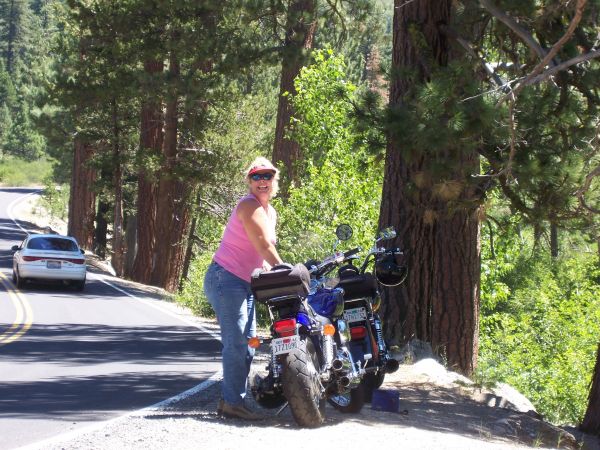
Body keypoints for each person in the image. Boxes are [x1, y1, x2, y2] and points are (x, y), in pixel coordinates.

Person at [203, 156, 284, 420]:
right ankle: (231, 403)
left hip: (246, 283)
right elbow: (263, 245)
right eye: (257, 176)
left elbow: (262, 254)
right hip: (225, 278)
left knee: (248, 345)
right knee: (236, 343)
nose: (263, 181)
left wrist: (275, 272)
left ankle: (233, 400)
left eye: (267, 176)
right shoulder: (248, 205)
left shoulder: (270, 212)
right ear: (249, 181)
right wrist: (285, 269)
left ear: (274, 180)